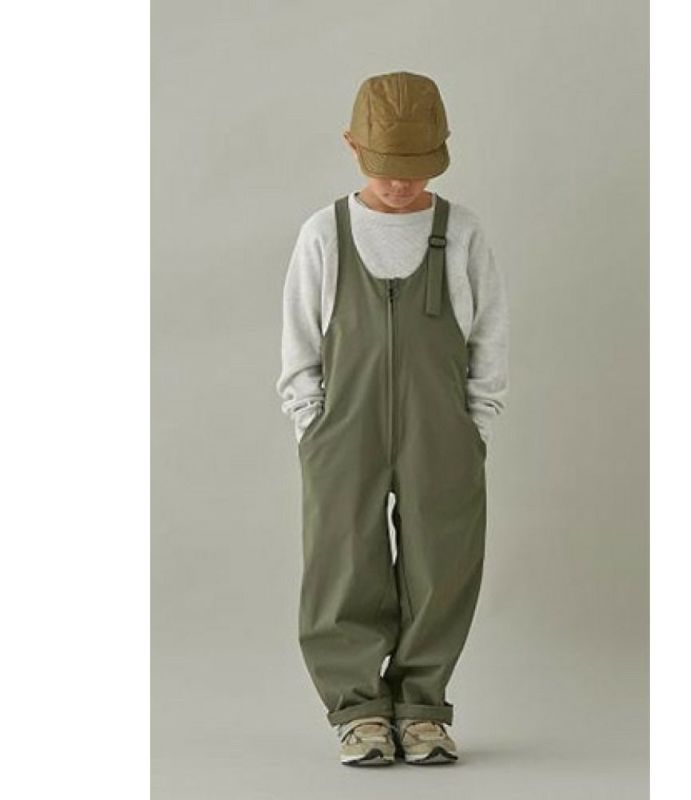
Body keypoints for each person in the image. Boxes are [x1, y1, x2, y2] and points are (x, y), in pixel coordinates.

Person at [276, 71, 510, 766]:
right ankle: (359, 712)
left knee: (443, 564)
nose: (402, 184)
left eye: (417, 167)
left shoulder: (460, 232)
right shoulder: (325, 232)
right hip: (341, 427)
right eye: (386, 167)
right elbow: (298, 340)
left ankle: (423, 709)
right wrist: (310, 423)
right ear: (352, 146)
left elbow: (489, 334)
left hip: (443, 428)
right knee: (344, 563)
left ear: (443, 149)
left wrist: (476, 421)